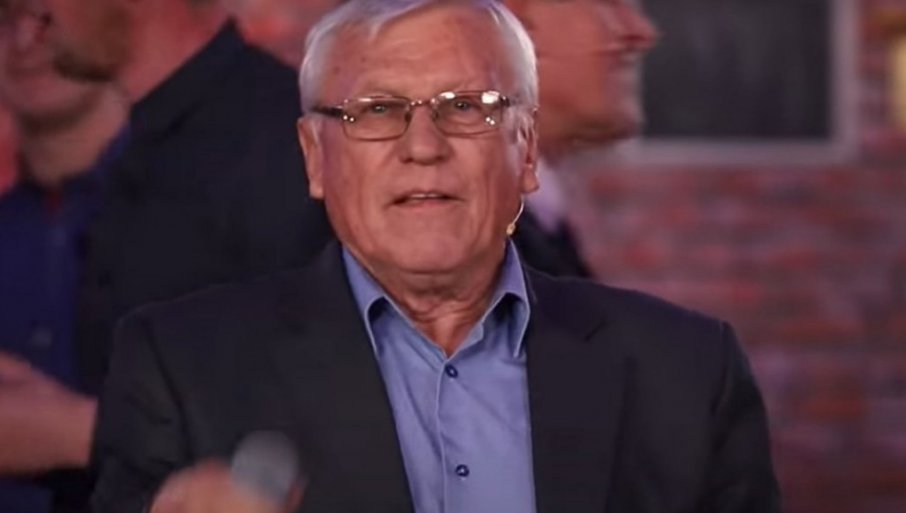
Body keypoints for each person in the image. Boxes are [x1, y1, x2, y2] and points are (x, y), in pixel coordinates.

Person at [92, 1, 781, 512]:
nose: (423, 146)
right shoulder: (179, 369)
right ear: (314, 158)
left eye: (467, 107)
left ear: (526, 150)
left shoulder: (689, 374)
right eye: (375, 110)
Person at [0, 0, 333, 509]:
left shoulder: (284, 149)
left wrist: (79, 431)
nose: (33, 25)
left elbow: (337, 414)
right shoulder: (137, 159)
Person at [0, 1, 126, 511]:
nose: (24, 43)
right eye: (4, 20)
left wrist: (76, 432)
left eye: (47, 16)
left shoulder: (207, 210)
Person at [504, 0, 659, 277]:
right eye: (608, 5)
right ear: (512, 21)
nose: (641, 32)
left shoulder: (534, 226)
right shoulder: (466, 248)